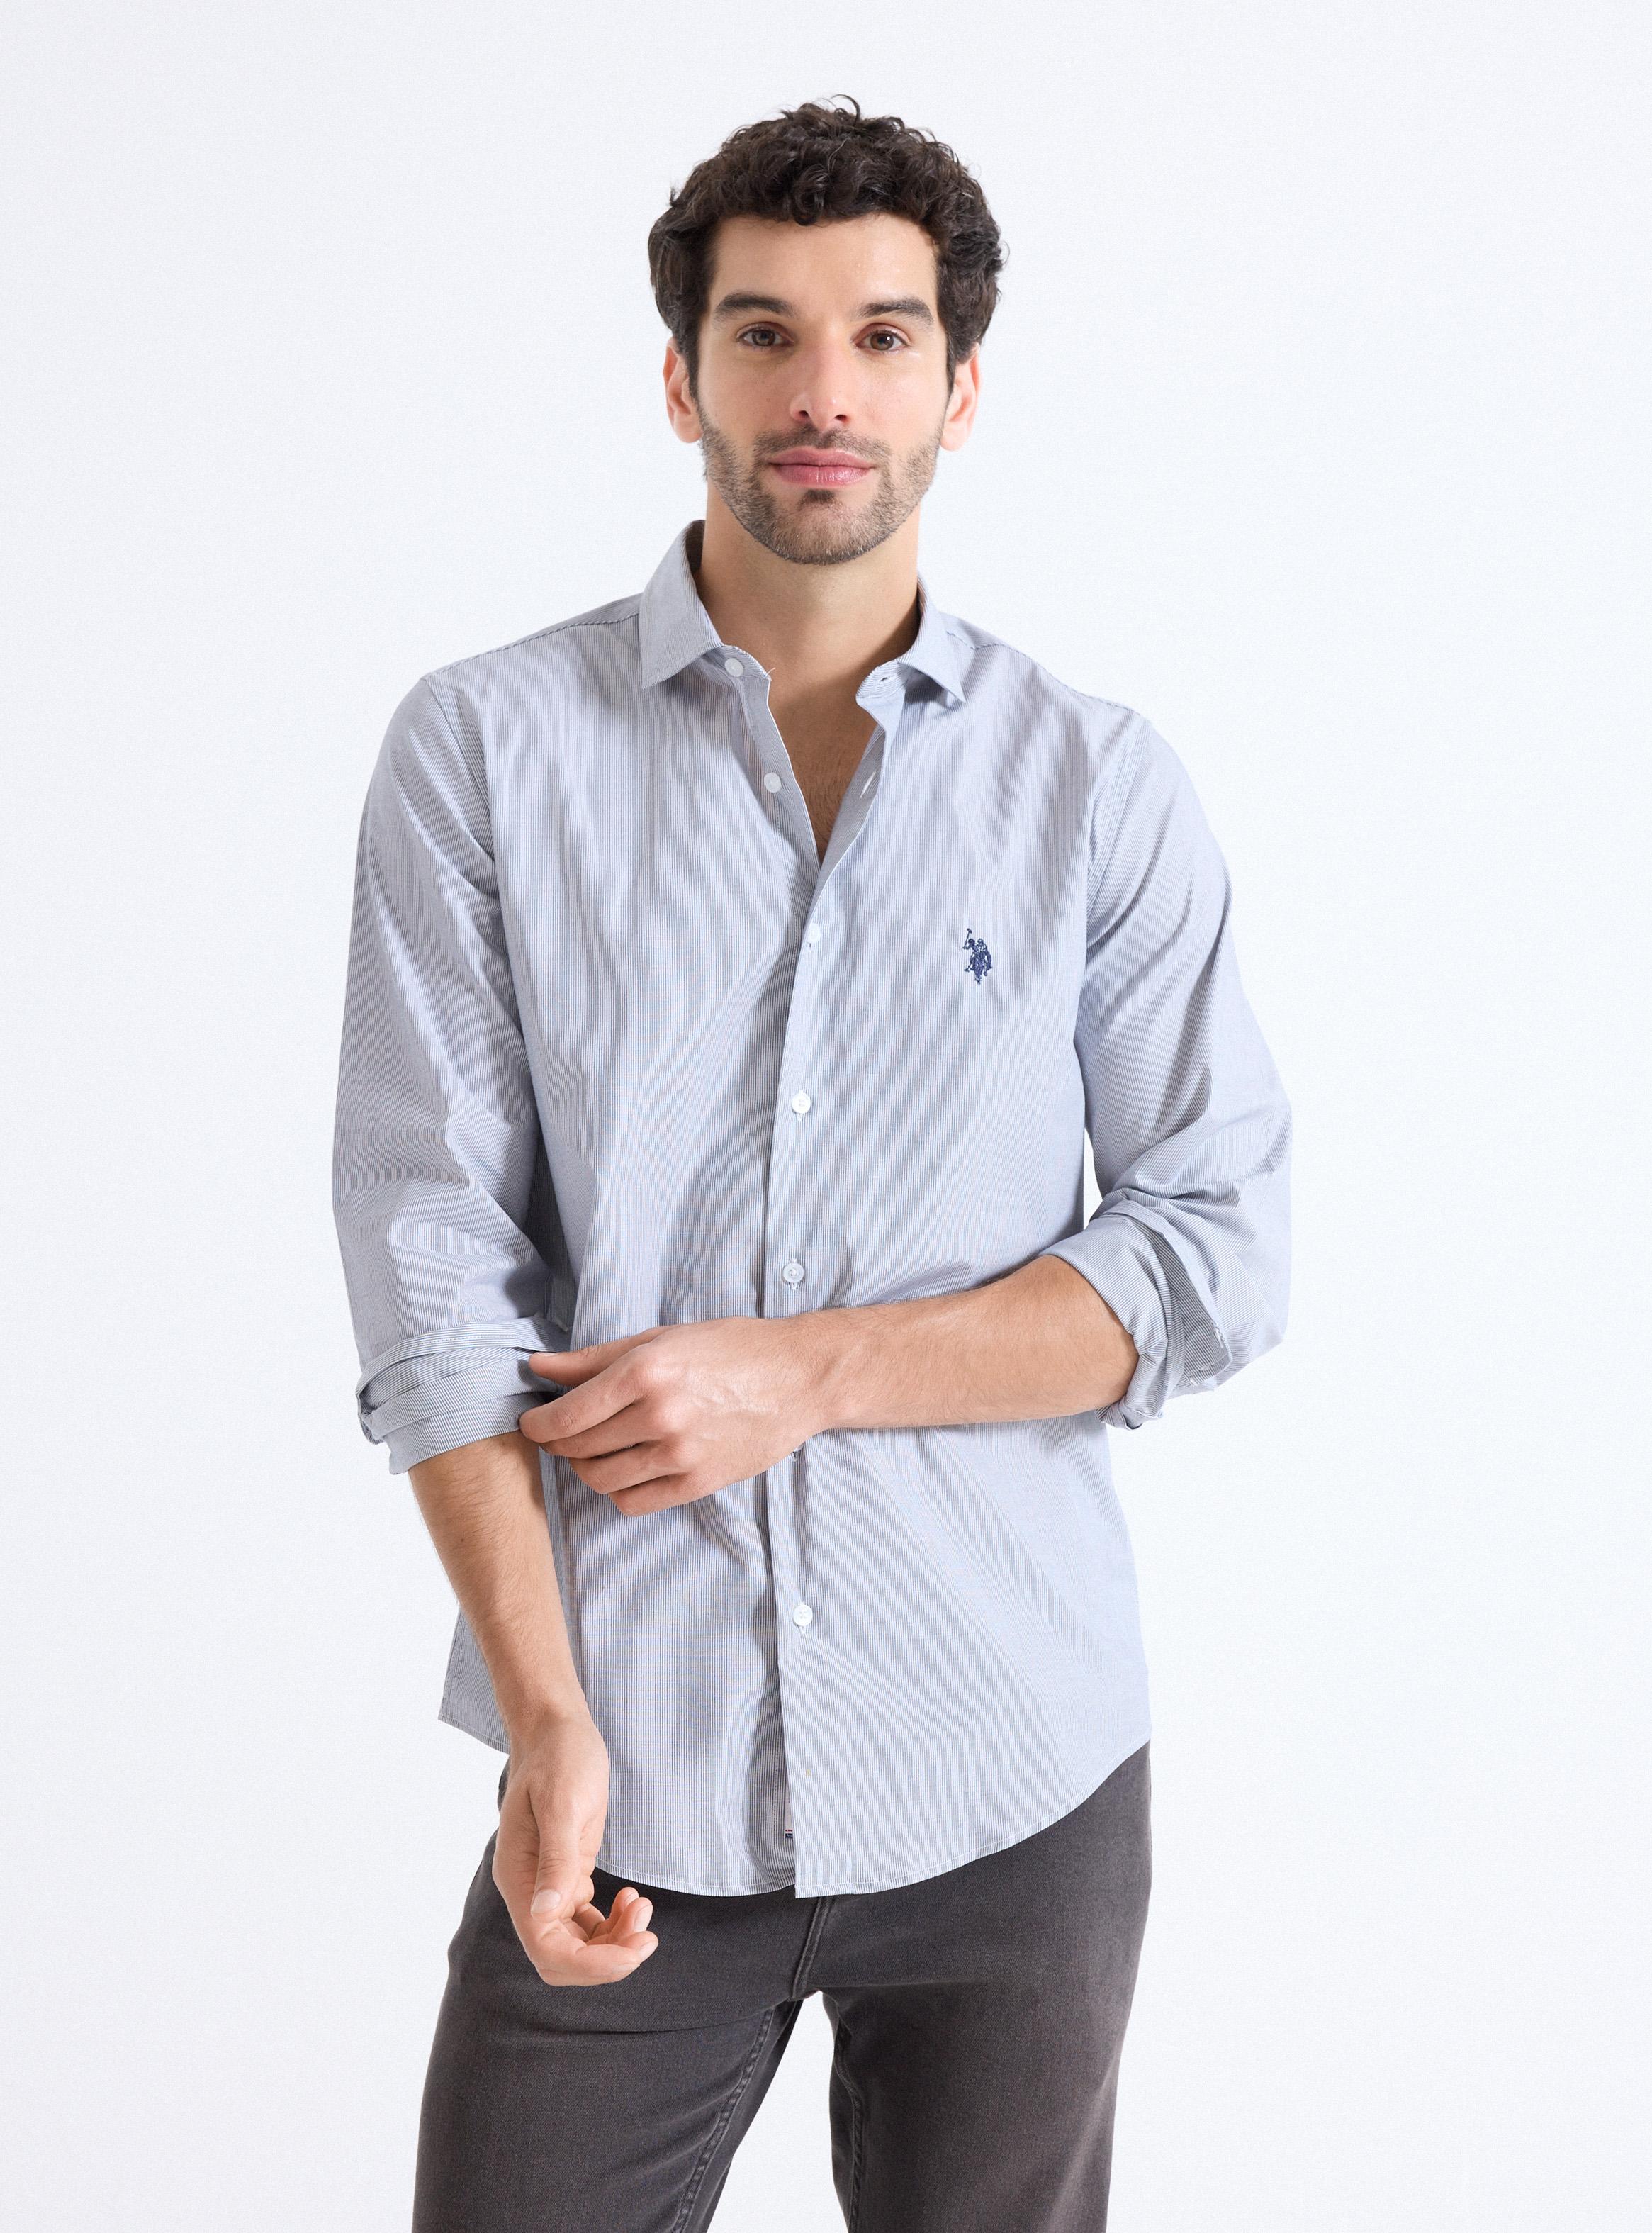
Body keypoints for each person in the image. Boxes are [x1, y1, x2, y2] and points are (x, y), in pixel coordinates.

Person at [332, 94, 1292, 2233]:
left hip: (1011, 1769)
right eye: (764, 333)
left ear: (961, 388)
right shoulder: (483, 751)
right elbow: (431, 1269)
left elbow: (1216, 1252)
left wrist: (808, 1372)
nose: (822, 392)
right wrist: (548, 1720)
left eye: (882, 336)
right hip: (626, 1766)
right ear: (684, 381)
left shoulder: (1096, 789)